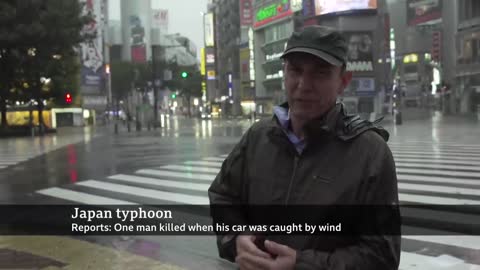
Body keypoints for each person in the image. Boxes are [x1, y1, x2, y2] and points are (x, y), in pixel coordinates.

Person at [208, 25, 400, 269]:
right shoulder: (258, 137)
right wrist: (236, 239)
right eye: (296, 70)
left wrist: (301, 264)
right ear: (284, 73)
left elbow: (383, 255)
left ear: (343, 81)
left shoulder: (370, 153)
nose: (304, 84)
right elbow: (223, 196)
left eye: (320, 73)